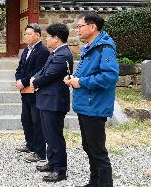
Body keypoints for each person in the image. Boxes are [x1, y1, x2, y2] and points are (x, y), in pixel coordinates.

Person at [64, 12, 119, 187]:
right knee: (88, 147)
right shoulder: (89, 47)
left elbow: (110, 76)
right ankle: (94, 181)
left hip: (95, 105)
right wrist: (73, 78)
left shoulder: (104, 47)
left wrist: (81, 82)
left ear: (92, 26)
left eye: (80, 26)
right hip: (86, 105)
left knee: (98, 150)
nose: (77, 30)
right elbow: (87, 74)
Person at [30, 23, 73, 182]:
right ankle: (52, 162)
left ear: (56, 38)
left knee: (55, 136)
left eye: (48, 36)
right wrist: (35, 77)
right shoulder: (55, 53)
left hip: (54, 102)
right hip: (47, 100)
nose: (46, 39)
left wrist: (35, 81)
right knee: (49, 135)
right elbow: (43, 71)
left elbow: (49, 75)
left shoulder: (63, 55)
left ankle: (60, 169)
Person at [14, 23, 50, 163]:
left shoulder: (43, 51)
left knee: (37, 121)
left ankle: (40, 152)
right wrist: (18, 79)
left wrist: (23, 81)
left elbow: (38, 71)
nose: (26, 36)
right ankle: (30, 144)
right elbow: (20, 68)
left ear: (38, 36)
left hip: (35, 91)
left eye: (29, 34)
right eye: (25, 34)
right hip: (25, 91)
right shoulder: (26, 50)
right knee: (26, 119)